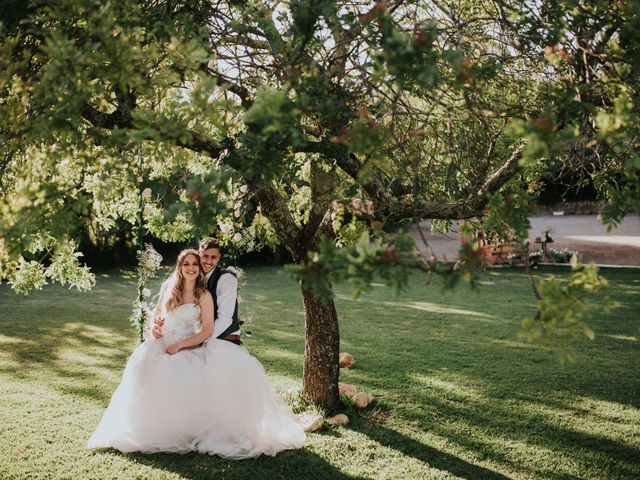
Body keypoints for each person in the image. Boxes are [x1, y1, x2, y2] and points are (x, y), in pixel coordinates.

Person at [87, 249, 306, 458]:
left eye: (194, 264)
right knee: (141, 365)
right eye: (186, 264)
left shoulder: (204, 295)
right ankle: (149, 428)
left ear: (199, 269)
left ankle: (184, 430)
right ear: (179, 267)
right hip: (161, 343)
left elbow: (207, 331)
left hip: (186, 344)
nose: (190, 268)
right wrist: (155, 328)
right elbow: (157, 317)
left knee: (178, 371)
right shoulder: (168, 287)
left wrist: (180, 345)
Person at [153, 238, 240, 345]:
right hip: (188, 339)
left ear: (219, 258)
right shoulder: (194, 278)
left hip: (224, 338)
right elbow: (158, 310)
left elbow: (225, 319)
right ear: (199, 255)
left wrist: (198, 341)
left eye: (213, 257)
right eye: (205, 256)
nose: (208, 261)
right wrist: (157, 323)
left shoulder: (226, 279)